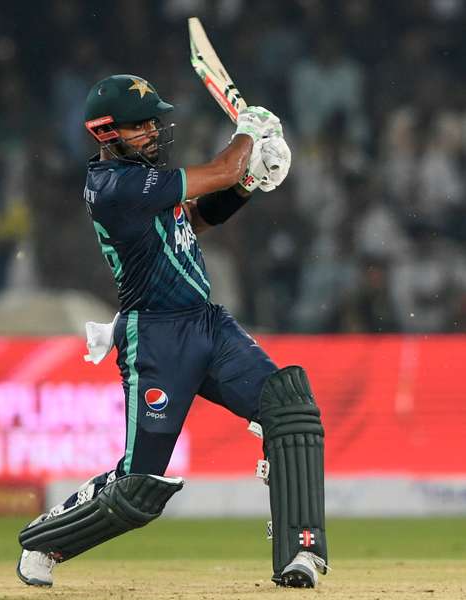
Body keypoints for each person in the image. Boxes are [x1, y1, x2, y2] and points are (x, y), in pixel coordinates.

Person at [16, 74, 328, 588]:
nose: (153, 132)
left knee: (290, 409)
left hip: (207, 323)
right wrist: (249, 134)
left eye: (153, 122)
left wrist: (249, 185)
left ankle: (300, 553)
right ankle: (45, 542)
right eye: (140, 126)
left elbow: (196, 220)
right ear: (105, 132)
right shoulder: (115, 186)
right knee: (139, 486)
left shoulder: (144, 184)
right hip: (155, 339)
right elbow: (223, 167)